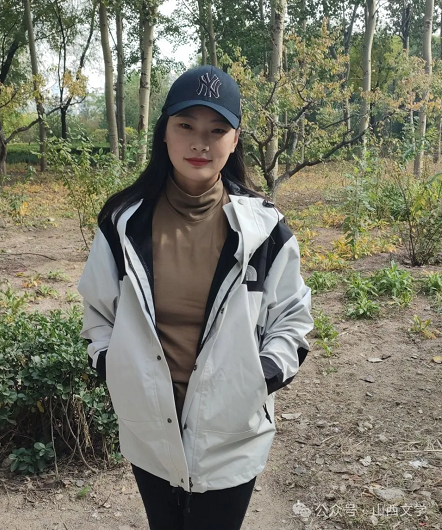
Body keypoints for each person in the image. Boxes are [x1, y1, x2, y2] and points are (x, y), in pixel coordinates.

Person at [77, 65, 313, 530]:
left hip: (232, 430)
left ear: (235, 140)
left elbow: (292, 318)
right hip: (149, 425)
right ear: (164, 132)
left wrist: (257, 378)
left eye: (217, 130)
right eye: (186, 125)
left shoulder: (264, 229)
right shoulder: (124, 224)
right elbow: (98, 312)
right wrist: (115, 369)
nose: (200, 143)